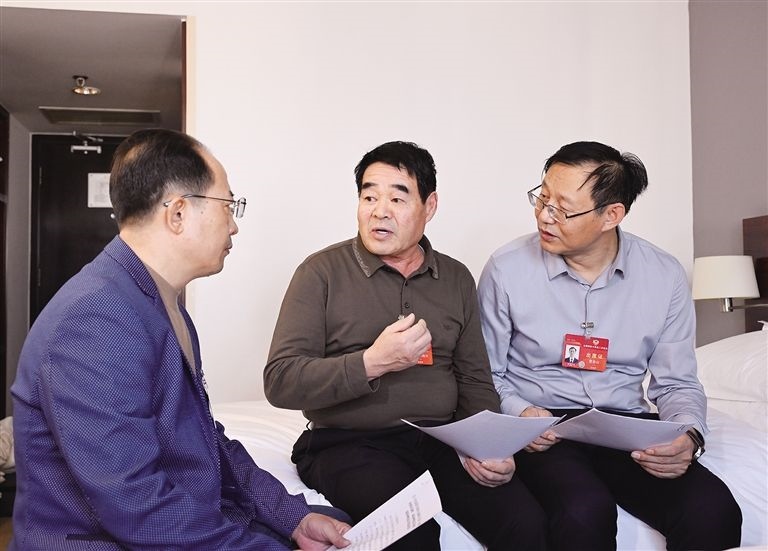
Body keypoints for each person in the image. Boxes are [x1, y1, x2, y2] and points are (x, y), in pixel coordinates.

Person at [10, 129, 351, 551]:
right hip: (110, 540)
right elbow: (138, 509)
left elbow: (206, 440)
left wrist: (293, 517)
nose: (234, 225)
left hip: (173, 520)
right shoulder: (95, 319)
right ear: (177, 214)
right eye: (228, 205)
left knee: (342, 528)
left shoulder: (159, 302)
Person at [264, 141, 547, 550]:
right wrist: (371, 363)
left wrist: (486, 446)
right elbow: (281, 380)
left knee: (525, 521)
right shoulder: (320, 273)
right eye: (369, 197)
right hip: (350, 444)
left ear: (429, 206)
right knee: (412, 531)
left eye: (397, 199)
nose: (379, 211)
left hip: (442, 441)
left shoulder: (455, 278)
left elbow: (474, 378)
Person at [477, 140, 742, 551]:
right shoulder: (506, 269)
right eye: (542, 198)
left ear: (611, 215)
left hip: (624, 426)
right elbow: (484, 373)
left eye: (563, 208)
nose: (544, 215)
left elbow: (677, 382)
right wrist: (520, 413)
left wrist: (689, 435)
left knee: (713, 510)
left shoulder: (663, 275)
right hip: (545, 428)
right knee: (584, 510)